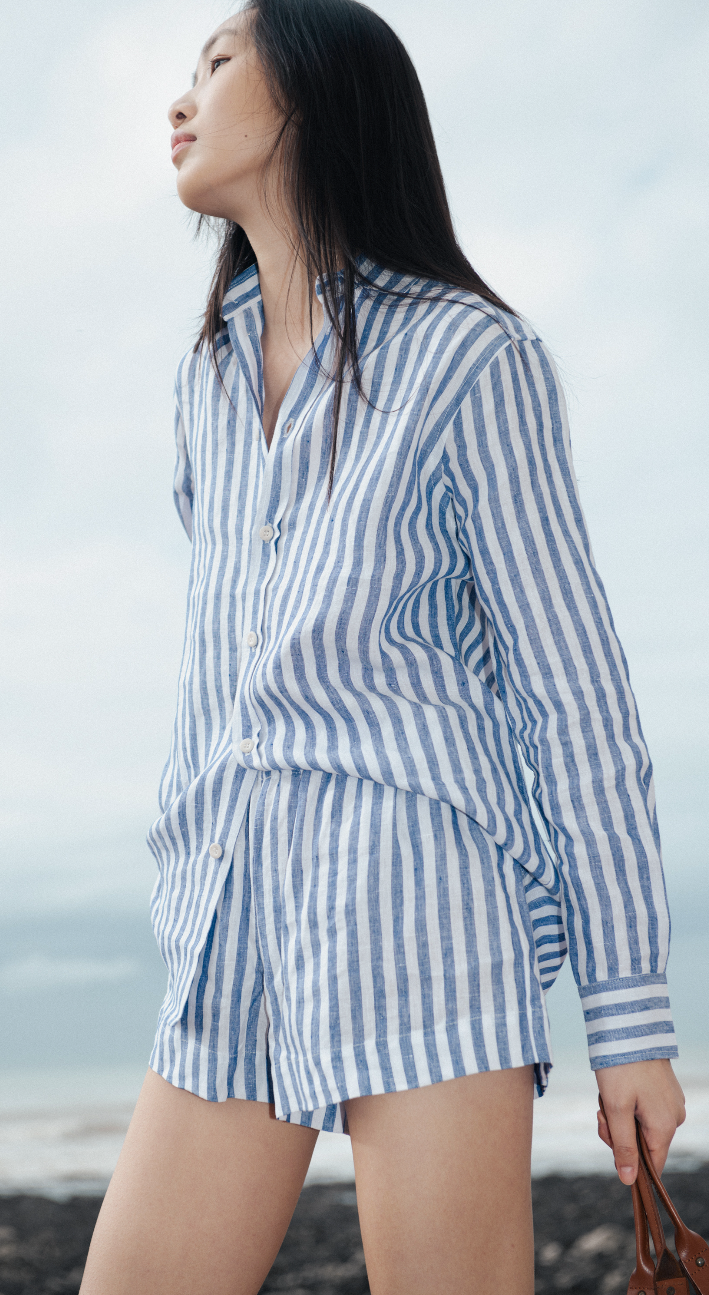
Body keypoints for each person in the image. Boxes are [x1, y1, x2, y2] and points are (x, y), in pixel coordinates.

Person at [79, 1, 686, 1291]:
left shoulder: (472, 358)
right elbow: (216, 679)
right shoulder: (206, 374)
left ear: (315, 96)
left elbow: (572, 695)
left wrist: (628, 1022)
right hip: (232, 926)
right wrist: (184, 882)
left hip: (426, 913)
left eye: (219, 63)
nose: (179, 99)